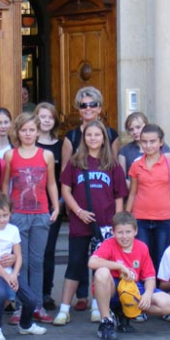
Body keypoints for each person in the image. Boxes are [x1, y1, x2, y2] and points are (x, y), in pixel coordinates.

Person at [53, 120, 127, 326]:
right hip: (80, 221)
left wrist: (117, 224)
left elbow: (119, 196)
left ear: (104, 138)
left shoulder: (112, 165)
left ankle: (97, 306)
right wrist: (77, 211)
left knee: (100, 267)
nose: (93, 138)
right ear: (84, 139)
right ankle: (64, 308)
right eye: (89, 135)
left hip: (105, 224)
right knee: (75, 264)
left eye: (97, 135)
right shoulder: (76, 162)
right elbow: (65, 190)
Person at [61, 86, 119, 308]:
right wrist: (72, 206)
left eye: (92, 104)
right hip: (79, 203)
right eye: (83, 105)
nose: (88, 108)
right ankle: (80, 297)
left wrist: (117, 213)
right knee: (77, 258)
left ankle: (99, 302)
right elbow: (66, 172)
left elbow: (112, 170)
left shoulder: (111, 135)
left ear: (100, 108)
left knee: (101, 256)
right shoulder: (72, 136)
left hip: (104, 210)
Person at [3, 113, 60, 324]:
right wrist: (5, 210)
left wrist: (56, 206)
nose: (28, 134)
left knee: (37, 261)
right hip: (17, 214)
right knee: (21, 261)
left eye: (31, 130)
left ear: (38, 131)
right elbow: (5, 184)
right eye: (24, 130)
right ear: (18, 132)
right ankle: (21, 307)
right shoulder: (11, 155)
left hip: (40, 214)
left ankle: (37, 305)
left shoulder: (45, 155)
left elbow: (52, 183)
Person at [88, 212, 170, 340]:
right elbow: (92, 262)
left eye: (128, 232)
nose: (124, 236)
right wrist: (119, 267)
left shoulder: (142, 247)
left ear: (135, 231)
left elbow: (150, 277)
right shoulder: (108, 244)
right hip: (113, 288)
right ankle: (105, 321)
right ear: (113, 232)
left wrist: (147, 294)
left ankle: (128, 312)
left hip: (133, 289)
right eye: (120, 232)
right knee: (101, 272)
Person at [0, 194, 46, 340]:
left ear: (11, 214)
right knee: (0, 294)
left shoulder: (13, 230)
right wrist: (6, 276)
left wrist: (14, 274)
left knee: (31, 298)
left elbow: (19, 255)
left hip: (10, 272)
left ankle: (25, 325)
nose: (1, 219)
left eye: (5, 215)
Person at [126, 124, 170, 270]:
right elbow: (132, 192)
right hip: (140, 218)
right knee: (142, 257)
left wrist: (160, 197)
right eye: (144, 141)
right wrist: (126, 216)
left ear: (161, 142)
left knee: (161, 258)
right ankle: (144, 290)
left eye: (152, 141)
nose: (148, 145)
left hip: (163, 219)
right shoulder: (136, 166)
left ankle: (157, 291)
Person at [35, 102, 64, 311]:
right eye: (42, 116)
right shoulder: (28, 143)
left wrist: (60, 203)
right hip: (30, 203)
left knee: (48, 251)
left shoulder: (60, 145)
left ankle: (46, 292)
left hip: (52, 203)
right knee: (29, 252)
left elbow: (63, 176)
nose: (46, 120)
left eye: (50, 117)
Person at [117, 111, 170, 182]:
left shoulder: (162, 147)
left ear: (146, 125)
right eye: (131, 129)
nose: (135, 132)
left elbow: (169, 173)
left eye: (138, 127)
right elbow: (122, 179)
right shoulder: (124, 151)